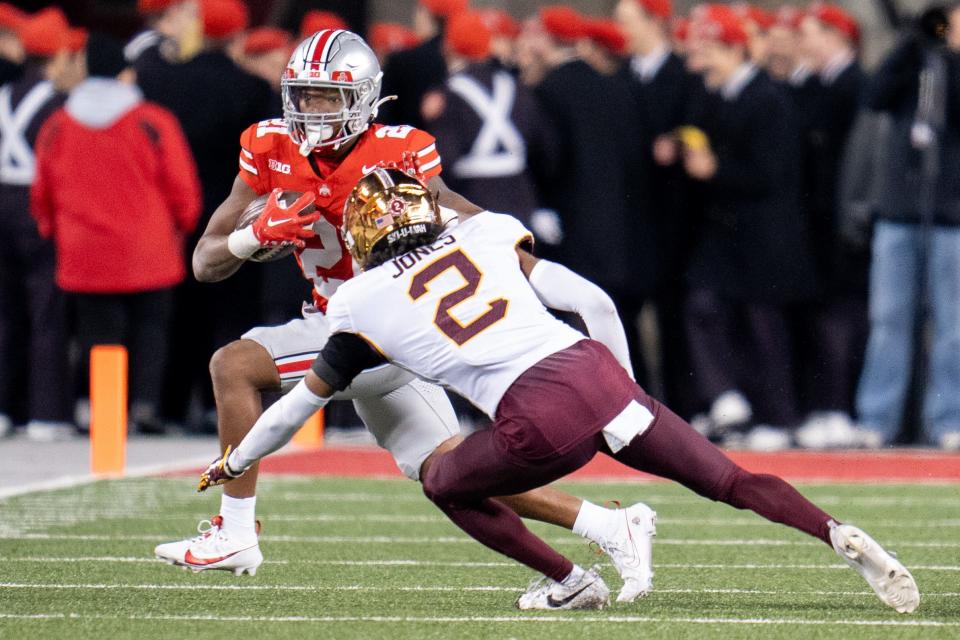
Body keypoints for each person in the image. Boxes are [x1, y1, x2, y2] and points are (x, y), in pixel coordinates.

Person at [200, 168, 920, 615]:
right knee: (731, 479)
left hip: (536, 414)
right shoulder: (485, 237)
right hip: (594, 373)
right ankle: (835, 533)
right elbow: (597, 302)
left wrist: (234, 462)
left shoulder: (360, 301)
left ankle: (568, 578)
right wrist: (629, 394)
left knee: (441, 481)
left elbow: (297, 405)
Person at [155, 29, 657, 605]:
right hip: (344, 321)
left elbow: (466, 219)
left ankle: (235, 531)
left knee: (233, 365)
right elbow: (204, 261)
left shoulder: (398, 151)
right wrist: (251, 237)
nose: (312, 110)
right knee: (447, 471)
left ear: (365, 98)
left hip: (378, 324)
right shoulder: (270, 146)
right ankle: (609, 530)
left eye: (327, 97)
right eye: (303, 95)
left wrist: (480, 243)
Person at [31, 33, 201, 435]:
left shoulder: (58, 124)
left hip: (84, 251)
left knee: (96, 334)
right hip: (149, 248)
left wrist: (53, 230)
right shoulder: (152, 121)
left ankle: (104, 410)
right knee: (151, 331)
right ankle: (144, 405)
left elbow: (42, 191)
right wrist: (185, 224)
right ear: (126, 72)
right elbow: (182, 187)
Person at [855, 4, 960, 450]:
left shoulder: (949, 68)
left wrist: (951, 59)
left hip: (952, 215)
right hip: (899, 210)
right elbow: (875, 96)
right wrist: (911, 44)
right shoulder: (914, 60)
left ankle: (948, 417)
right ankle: (878, 418)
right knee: (888, 320)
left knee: (954, 325)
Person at [0, 8, 85, 440]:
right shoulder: (59, 106)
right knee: (47, 313)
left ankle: (4, 408)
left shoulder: (2, 95)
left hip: (0, 204)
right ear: (57, 59)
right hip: (37, 211)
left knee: (5, 313)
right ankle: (46, 414)